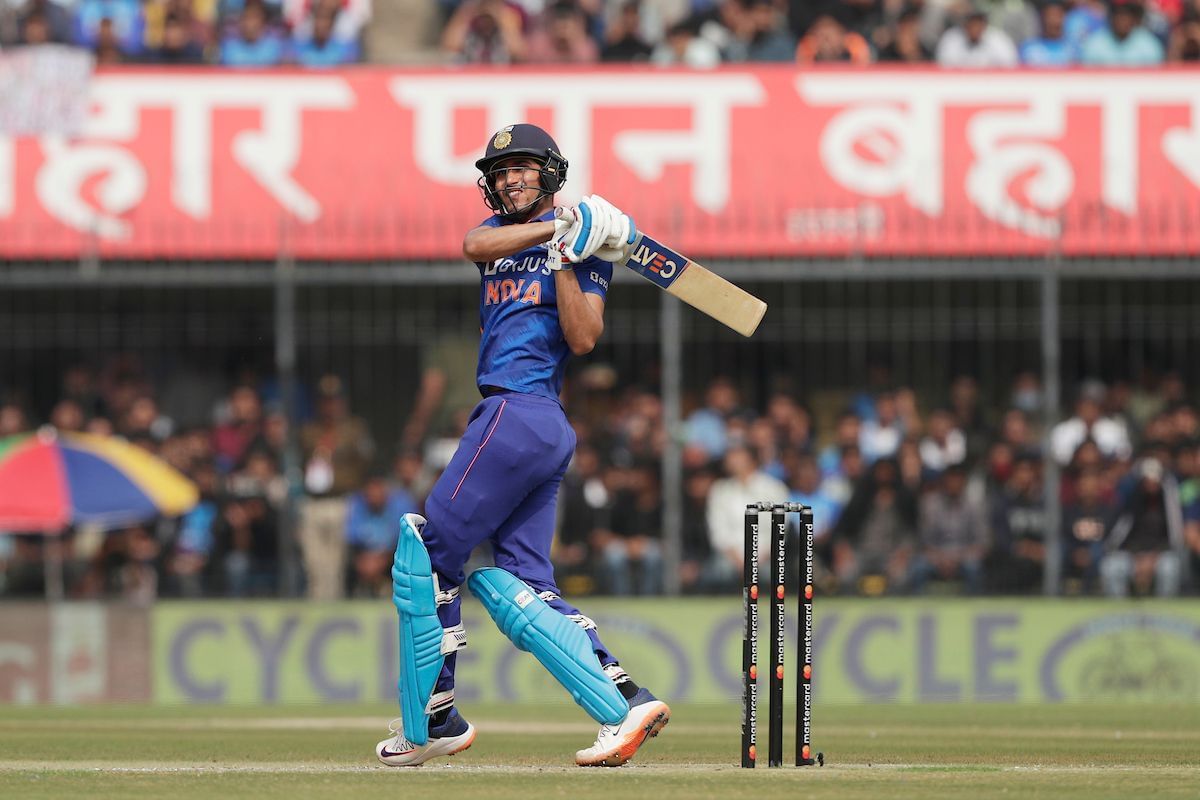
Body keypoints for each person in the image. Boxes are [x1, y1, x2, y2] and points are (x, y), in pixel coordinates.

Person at [376, 124, 669, 768]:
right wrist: (557, 228)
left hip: (519, 409)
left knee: (423, 554)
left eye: (524, 168)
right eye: (502, 170)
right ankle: (625, 704)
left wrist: (570, 253)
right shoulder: (502, 238)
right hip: (535, 429)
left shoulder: (583, 253)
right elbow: (471, 242)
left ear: (549, 173)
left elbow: (584, 337)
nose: (511, 178)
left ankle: (433, 717)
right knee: (519, 582)